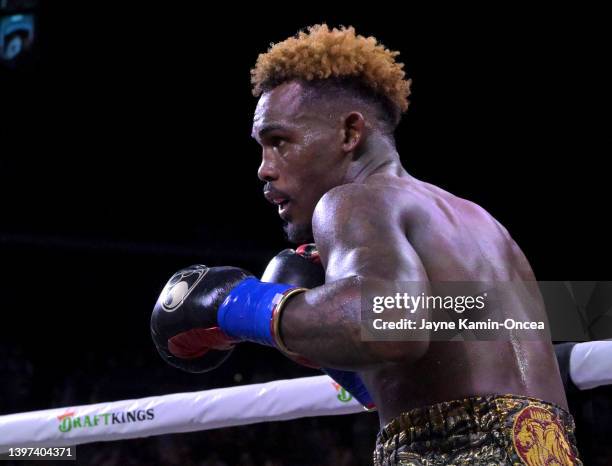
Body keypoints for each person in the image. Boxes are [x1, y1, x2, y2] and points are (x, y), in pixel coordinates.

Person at [151, 25, 582, 465]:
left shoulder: (354, 200)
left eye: (279, 142)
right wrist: (331, 350)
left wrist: (239, 304)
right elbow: (455, 366)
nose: (264, 169)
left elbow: (396, 326)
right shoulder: (481, 224)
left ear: (349, 132)